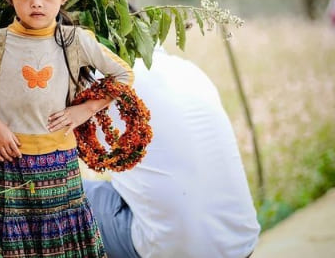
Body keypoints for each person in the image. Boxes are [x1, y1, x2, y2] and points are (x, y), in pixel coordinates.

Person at [0, 0, 134, 258]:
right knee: (8, 248)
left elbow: (123, 76)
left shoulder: (74, 40)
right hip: (6, 163)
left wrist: (85, 109)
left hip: (58, 166)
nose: (36, 3)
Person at [83, 47, 260, 258]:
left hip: (172, 249)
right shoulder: (188, 69)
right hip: (241, 241)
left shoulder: (103, 82)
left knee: (50, 191)